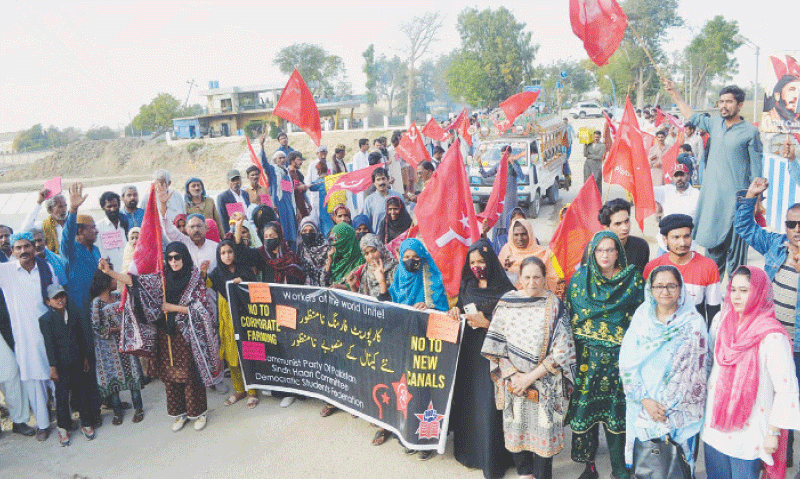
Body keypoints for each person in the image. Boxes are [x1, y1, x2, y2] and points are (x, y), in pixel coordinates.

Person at [102, 242, 222, 432]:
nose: (174, 261)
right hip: (166, 335)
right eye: (170, 257)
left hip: (187, 336)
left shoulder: (195, 279)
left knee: (189, 375)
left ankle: (198, 413)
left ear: (184, 257)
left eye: (177, 257)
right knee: (170, 376)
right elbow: (134, 281)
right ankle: (179, 414)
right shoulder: (161, 278)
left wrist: (173, 308)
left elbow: (202, 309)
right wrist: (110, 273)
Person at [481, 255, 577, 479]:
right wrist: (514, 375)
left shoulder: (554, 306)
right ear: (519, 279)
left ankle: (542, 475)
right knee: (518, 426)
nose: (532, 282)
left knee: (544, 428)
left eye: (537, 277)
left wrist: (530, 377)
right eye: (527, 277)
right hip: (513, 381)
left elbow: (562, 350)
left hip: (545, 381)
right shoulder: (507, 303)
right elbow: (496, 344)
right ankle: (524, 473)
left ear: (545, 279)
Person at [702, 266, 800, 479]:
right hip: (714, 426)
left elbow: (786, 390)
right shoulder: (720, 321)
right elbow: (709, 363)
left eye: (744, 291)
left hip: (750, 431)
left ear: (760, 292)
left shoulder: (772, 336)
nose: (736, 297)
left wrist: (773, 433)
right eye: (733, 289)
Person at [664, 80, 763, 279]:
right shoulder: (714, 124)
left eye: (729, 102)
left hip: (738, 204)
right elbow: (690, 114)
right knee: (711, 257)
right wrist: (675, 94)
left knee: (737, 264)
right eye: (721, 102)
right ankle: (711, 303)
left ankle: (734, 305)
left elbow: (757, 171)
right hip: (713, 203)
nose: (723, 106)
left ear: (740, 105)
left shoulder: (750, 132)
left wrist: (756, 202)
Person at [566, 231, 644, 479]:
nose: (605, 255)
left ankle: (619, 467)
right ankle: (589, 466)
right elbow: (570, 317)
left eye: (610, 250)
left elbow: (642, 320)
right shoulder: (580, 280)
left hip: (620, 362)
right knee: (587, 413)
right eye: (600, 250)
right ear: (592, 253)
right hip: (586, 360)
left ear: (618, 252)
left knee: (617, 417)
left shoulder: (632, 281)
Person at [619, 266, 709, 476]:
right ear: (650, 289)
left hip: (681, 410)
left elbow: (700, 368)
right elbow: (627, 364)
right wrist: (646, 401)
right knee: (650, 466)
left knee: (679, 467)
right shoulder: (642, 320)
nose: (665, 291)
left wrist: (674, 404)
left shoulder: (694, 322)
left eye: (671, 286)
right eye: (659, 286)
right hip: (645, 406)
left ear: (681, 289)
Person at [446, 239, 517, 478]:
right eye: (473, 262)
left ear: (491, 262)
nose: (477, 266)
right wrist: (455, 310)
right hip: (470, 354)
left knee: (491, 404)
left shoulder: (506, 290)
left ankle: (494, 459)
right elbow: (461, 310)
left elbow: (516, 327)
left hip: (496, 355)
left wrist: (488, 324)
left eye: (482, 261)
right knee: (471, 401)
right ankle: (471, 453)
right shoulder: (467, 284)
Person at [0, 232, 58, 441]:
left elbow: (55, 294)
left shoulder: (45, 267)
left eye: (27, 246)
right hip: (25, 337)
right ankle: (42, 425)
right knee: (34, 382)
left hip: (50, 333)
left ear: (33, 247)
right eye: (18, 248)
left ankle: (64, 419)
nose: (23, 251)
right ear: (12, 252)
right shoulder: (6, 272)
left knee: (56, 377)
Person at [61, 183, 104, 426]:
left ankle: (107, 398)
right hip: (81, 314)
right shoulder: (71, 251)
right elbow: (66, 236)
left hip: (99, 311)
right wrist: (73, 211)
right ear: (80, 230)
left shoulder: (95, 249)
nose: (96, 230)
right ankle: (91, 409)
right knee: (87, 360)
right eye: (92, 227)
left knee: (102, 356)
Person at [39, 285, 96, 446]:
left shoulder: (73, 313)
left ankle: (86, 423)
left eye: (62, 296)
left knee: (82, 392)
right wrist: (53, 367)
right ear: (48, 301)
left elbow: (81, 336)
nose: (60, 300)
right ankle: (63, 427)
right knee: (62, 397)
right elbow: (49, 345)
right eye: (55, 298)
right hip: (60, 365)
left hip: (77, 360)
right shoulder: (46, 320)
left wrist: (85, 357)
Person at [207, 239, 258, 409]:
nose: (227, 256)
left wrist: (241, 280)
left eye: (230, 252)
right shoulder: (215, 274)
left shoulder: (244, 269)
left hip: (245, 317)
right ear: (218, 256)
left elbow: (255, 287)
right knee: (231, 353)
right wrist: (202, 272)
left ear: (234, 253)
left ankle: (252, 391)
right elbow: (204, 284)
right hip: (227, 318)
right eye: (223, 253)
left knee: (249, 352)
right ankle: (239, 389)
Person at [644, 214, 721, 326]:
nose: (683, 243)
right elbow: (648, 308)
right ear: (665, 239)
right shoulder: (653, 267)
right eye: (676, 237)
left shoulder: (708, 266)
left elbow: (714, 311)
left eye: (686, 236)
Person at [89, 269, 144, 426]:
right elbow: (96, 327)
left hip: (125, 344)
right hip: (107, 350)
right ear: (106, 282)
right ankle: (117, 411)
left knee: (133, 376)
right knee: (113, 381)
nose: (116, 281)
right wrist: (117, 329)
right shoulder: (96, 303)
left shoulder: (120, 296)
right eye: (113, 279)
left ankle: (138, 408)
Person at [498, 218, 560, 294]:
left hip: (537, 297)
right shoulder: (506, 250)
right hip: (511, 298)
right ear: (511, 235)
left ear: (530, 234)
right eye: (516, 235)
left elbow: (554, 279)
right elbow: (498, 276)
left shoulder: (544, 253)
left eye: (523, 234)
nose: (520, 238)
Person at [235, 221, 304, 286]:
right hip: (269, 295)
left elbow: (299, 281)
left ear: (279, 236)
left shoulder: (291, 257)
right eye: (266, 236)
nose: (268, 239)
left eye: (272, 236)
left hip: (288, 295)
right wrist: (238, 227)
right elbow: (243, 253)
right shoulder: (262, 254)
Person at [389, 238, 449, 312]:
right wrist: (381, 282)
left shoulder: (433, 279)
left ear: (422, 257)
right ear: (401, 258)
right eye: (407, 257)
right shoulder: (398, 278)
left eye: (416, 257)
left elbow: (441, 309)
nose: (411, 261)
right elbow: (388, 305)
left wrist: (427, 307)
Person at [652, 164, 699, 253]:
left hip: (687, 248)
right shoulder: (666, 191)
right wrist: (648, 166)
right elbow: (646, 189)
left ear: (688, 176)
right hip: (665, 247)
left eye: (682, 175)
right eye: (676, 175)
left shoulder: (697, 195)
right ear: (672, 178)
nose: (679, 178)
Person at [596, 199, 650, 275]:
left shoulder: (640, 246)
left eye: (627, 221)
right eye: (618, 224)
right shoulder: (594, 248)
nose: (625, 227)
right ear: (606, 227)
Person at [261, 140, 298, 248]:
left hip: (289, 205)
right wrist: (262, 146)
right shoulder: (272, 170)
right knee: (281, 230)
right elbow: (264, 163)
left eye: (283, 158)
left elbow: (289, 192)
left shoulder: (286, 172)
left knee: (292, 230)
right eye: (279, 158)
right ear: (275, 160)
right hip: (278, 205)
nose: (282, 160)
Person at [96, 191, 129, 274]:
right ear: (103, 207)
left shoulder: (124, 224)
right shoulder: (98, 227)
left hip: (127, 271)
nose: (113, 209)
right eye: (109, 206)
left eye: (115, 205)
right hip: (110, 273)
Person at [363, 167, 403, 233]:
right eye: (378, 180)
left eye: (383, 179)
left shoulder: (398, 196)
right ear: (374, 183)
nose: (381, 182)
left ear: (387, 180)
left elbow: (405, 218)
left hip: (397, 238)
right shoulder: (369, 201)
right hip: (378, 239)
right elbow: (366, 224)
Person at [296, 217, 332, 287]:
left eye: (311, 231)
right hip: (305, 291)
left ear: (316, 231)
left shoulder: (326, 247)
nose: (308, 234)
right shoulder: (301, 248)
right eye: (304, 231)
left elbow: (328, 273)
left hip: (323, 290)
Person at [216, 170, 250, 235]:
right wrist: (228, 235)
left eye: (238, 180)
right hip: (234, 232)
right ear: (228, 182)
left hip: (247, 230)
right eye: (233, 180)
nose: (236, 182)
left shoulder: (245, 194)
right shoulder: (223, 197)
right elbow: (222, 219)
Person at [287, 153, 311, 220]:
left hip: (302, 206)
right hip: (296, 209)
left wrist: (308, 202)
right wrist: (296, 209)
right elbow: (288, 193)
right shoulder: (287, 175)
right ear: (292, 161)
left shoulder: (297, 174)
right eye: (298, 160)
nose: (301, 162)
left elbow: (301, 192)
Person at [584, 130, 605, 195]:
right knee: (587, 181)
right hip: (588, 165)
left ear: (600, 137)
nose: (596, 139)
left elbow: (599, 157)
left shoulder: (602, 146)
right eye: (595, 137)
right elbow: (585, 155)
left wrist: (589, 156)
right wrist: (585, 145)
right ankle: (587, 195)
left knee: (596, 182)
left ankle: (597, 196)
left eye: (597, 137)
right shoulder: (589, 144)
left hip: (597, 166)